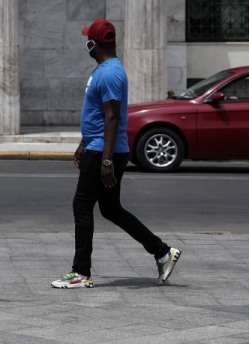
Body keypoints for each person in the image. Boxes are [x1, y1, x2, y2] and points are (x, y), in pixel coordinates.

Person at [52, 19, 181, 289]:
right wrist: (83, 142)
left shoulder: (110, 73)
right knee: (110, 208)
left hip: (104, 151)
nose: (85, 42)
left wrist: (106, 160)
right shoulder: (105, 70)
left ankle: (80, 272)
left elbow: (112, 118)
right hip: (98, 146)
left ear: (94, 44)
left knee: (82, 206)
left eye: (88, 39)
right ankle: (162, 251)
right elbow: (98, 116)